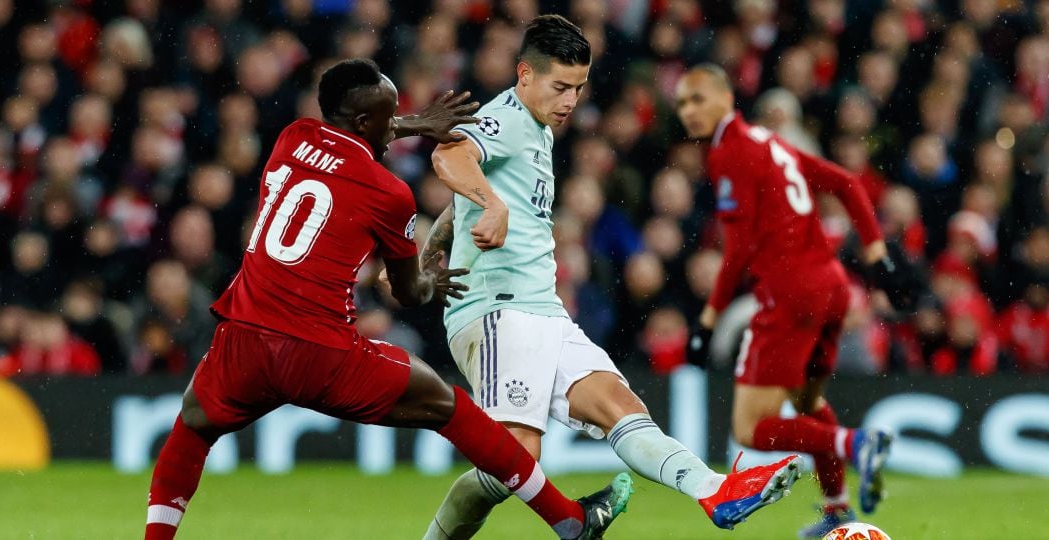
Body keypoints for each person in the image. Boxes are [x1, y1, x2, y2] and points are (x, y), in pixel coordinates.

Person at [143, 59, 633, 540]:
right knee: (451, 409)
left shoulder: (292, 137)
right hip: (322, 353)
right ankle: (568, 520)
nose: (395, 125)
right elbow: (407, 291)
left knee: (192, 428)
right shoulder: (389, 193)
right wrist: (430, 282)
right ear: (364, 121)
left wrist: (413, 123)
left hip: (244, 338)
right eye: (390, 115)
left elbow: (353, 137)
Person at [420, 16, 802, 540]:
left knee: (619, 407)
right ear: (524, 73)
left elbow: (468, 195)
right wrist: (489, 204)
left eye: (579, 87)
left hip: (541, 310)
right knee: (512, 462)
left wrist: (436, 247)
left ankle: (715, 490)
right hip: (497, 310)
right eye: (560, 86)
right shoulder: (505, 118)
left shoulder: (534, 128)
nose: (571, 99)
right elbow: (450, 153)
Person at [675, 64, 908, 538]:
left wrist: (707, 320)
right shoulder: (770, 141)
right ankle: (837, 511)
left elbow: (737, 251)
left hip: (790, 294)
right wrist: (876, 250)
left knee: (748, 427)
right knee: (808, 402)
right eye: (681, 103)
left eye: (697, 99)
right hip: (831, 287)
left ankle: (856, 441)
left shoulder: (731, 152)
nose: (688, 111)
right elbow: (846, 181)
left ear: (725, 96)